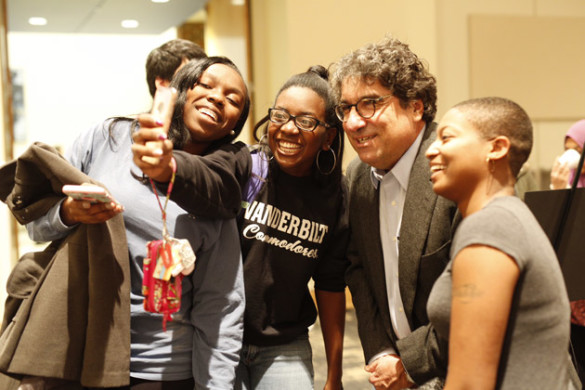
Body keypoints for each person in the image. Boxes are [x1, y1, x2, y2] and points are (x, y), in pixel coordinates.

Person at [23, 56, 250, 389]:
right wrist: (70, 213)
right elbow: (36, 227)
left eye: (233, 100)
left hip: (162, 367)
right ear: (183, 90)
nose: (218, 98)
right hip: (82, 348)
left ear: (234, 125)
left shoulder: (218, 189)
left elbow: (221, 305)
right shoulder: (110, 138)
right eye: (207, 84)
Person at [132, 65, 349, 390]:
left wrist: (335, 373)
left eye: (305, 122)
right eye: (280, 116)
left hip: (284, 344)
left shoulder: (336, 194)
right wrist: (169, 166)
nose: (289, 129)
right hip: (218, 336)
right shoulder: (247, 163)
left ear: (328, 135)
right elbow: (209, 175)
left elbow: (330, 284)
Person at [329, 36, 458, 389]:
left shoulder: (455, 168)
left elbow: (476, 295)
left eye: (370, 104)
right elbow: (359, 271)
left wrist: (410, 363)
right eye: (346, 108)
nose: (354, 122)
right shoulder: (355, 176)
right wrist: (380, 353)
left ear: (416, 107)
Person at [425, 96, 580, 390]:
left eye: (446, 138)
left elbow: (470, 383)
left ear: (496, 148)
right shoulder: (507, 217)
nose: (431, 151)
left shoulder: (492, 225)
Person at [549, 119, 585, 388]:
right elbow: (553, 240)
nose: (571, 155)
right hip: (573, 310)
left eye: (577, 149)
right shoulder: (569, 186)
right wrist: (557, 192)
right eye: (567, 148)